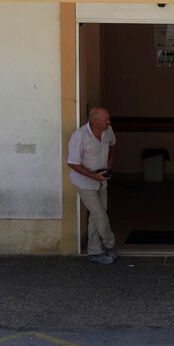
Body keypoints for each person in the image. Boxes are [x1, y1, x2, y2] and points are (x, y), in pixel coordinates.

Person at [67, 106, 117, 264]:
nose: (109, 122)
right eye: (105, 120)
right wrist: (93, 176)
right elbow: (72, 163)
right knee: (100, 215)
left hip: (102, 181)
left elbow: (113, 144)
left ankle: (94, 251)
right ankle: (110, 245)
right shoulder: (79, 136)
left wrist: (109, 164)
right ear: (95, 122)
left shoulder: (108, 131)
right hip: (85, 182)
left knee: (96, 216)